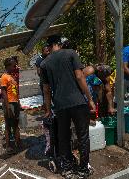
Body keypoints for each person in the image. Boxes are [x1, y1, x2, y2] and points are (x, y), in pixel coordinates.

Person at [40, 35, 96, 179]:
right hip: (77, 101)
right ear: (59, 43)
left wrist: (47, 109)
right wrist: (89, 99)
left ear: (50, 46)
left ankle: (67, 169)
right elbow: (79, 76)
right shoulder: (71, 53)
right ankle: (83, 169)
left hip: (60, 105)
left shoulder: (44, 64)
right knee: (83, 136)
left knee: (63, 137)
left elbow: (46, 90)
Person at [0, 57, 21, 154]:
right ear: (8, 66)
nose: (15, 67)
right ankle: (8, 146)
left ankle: (18, 142)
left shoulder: (13, 76)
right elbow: (3, 92)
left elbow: (16, 91)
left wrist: (18, 102)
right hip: (9, 103)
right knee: (8, 125)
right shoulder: (4, 77)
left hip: (15, 102)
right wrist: (7, 106)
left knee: (16, 124)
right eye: (14, 66)